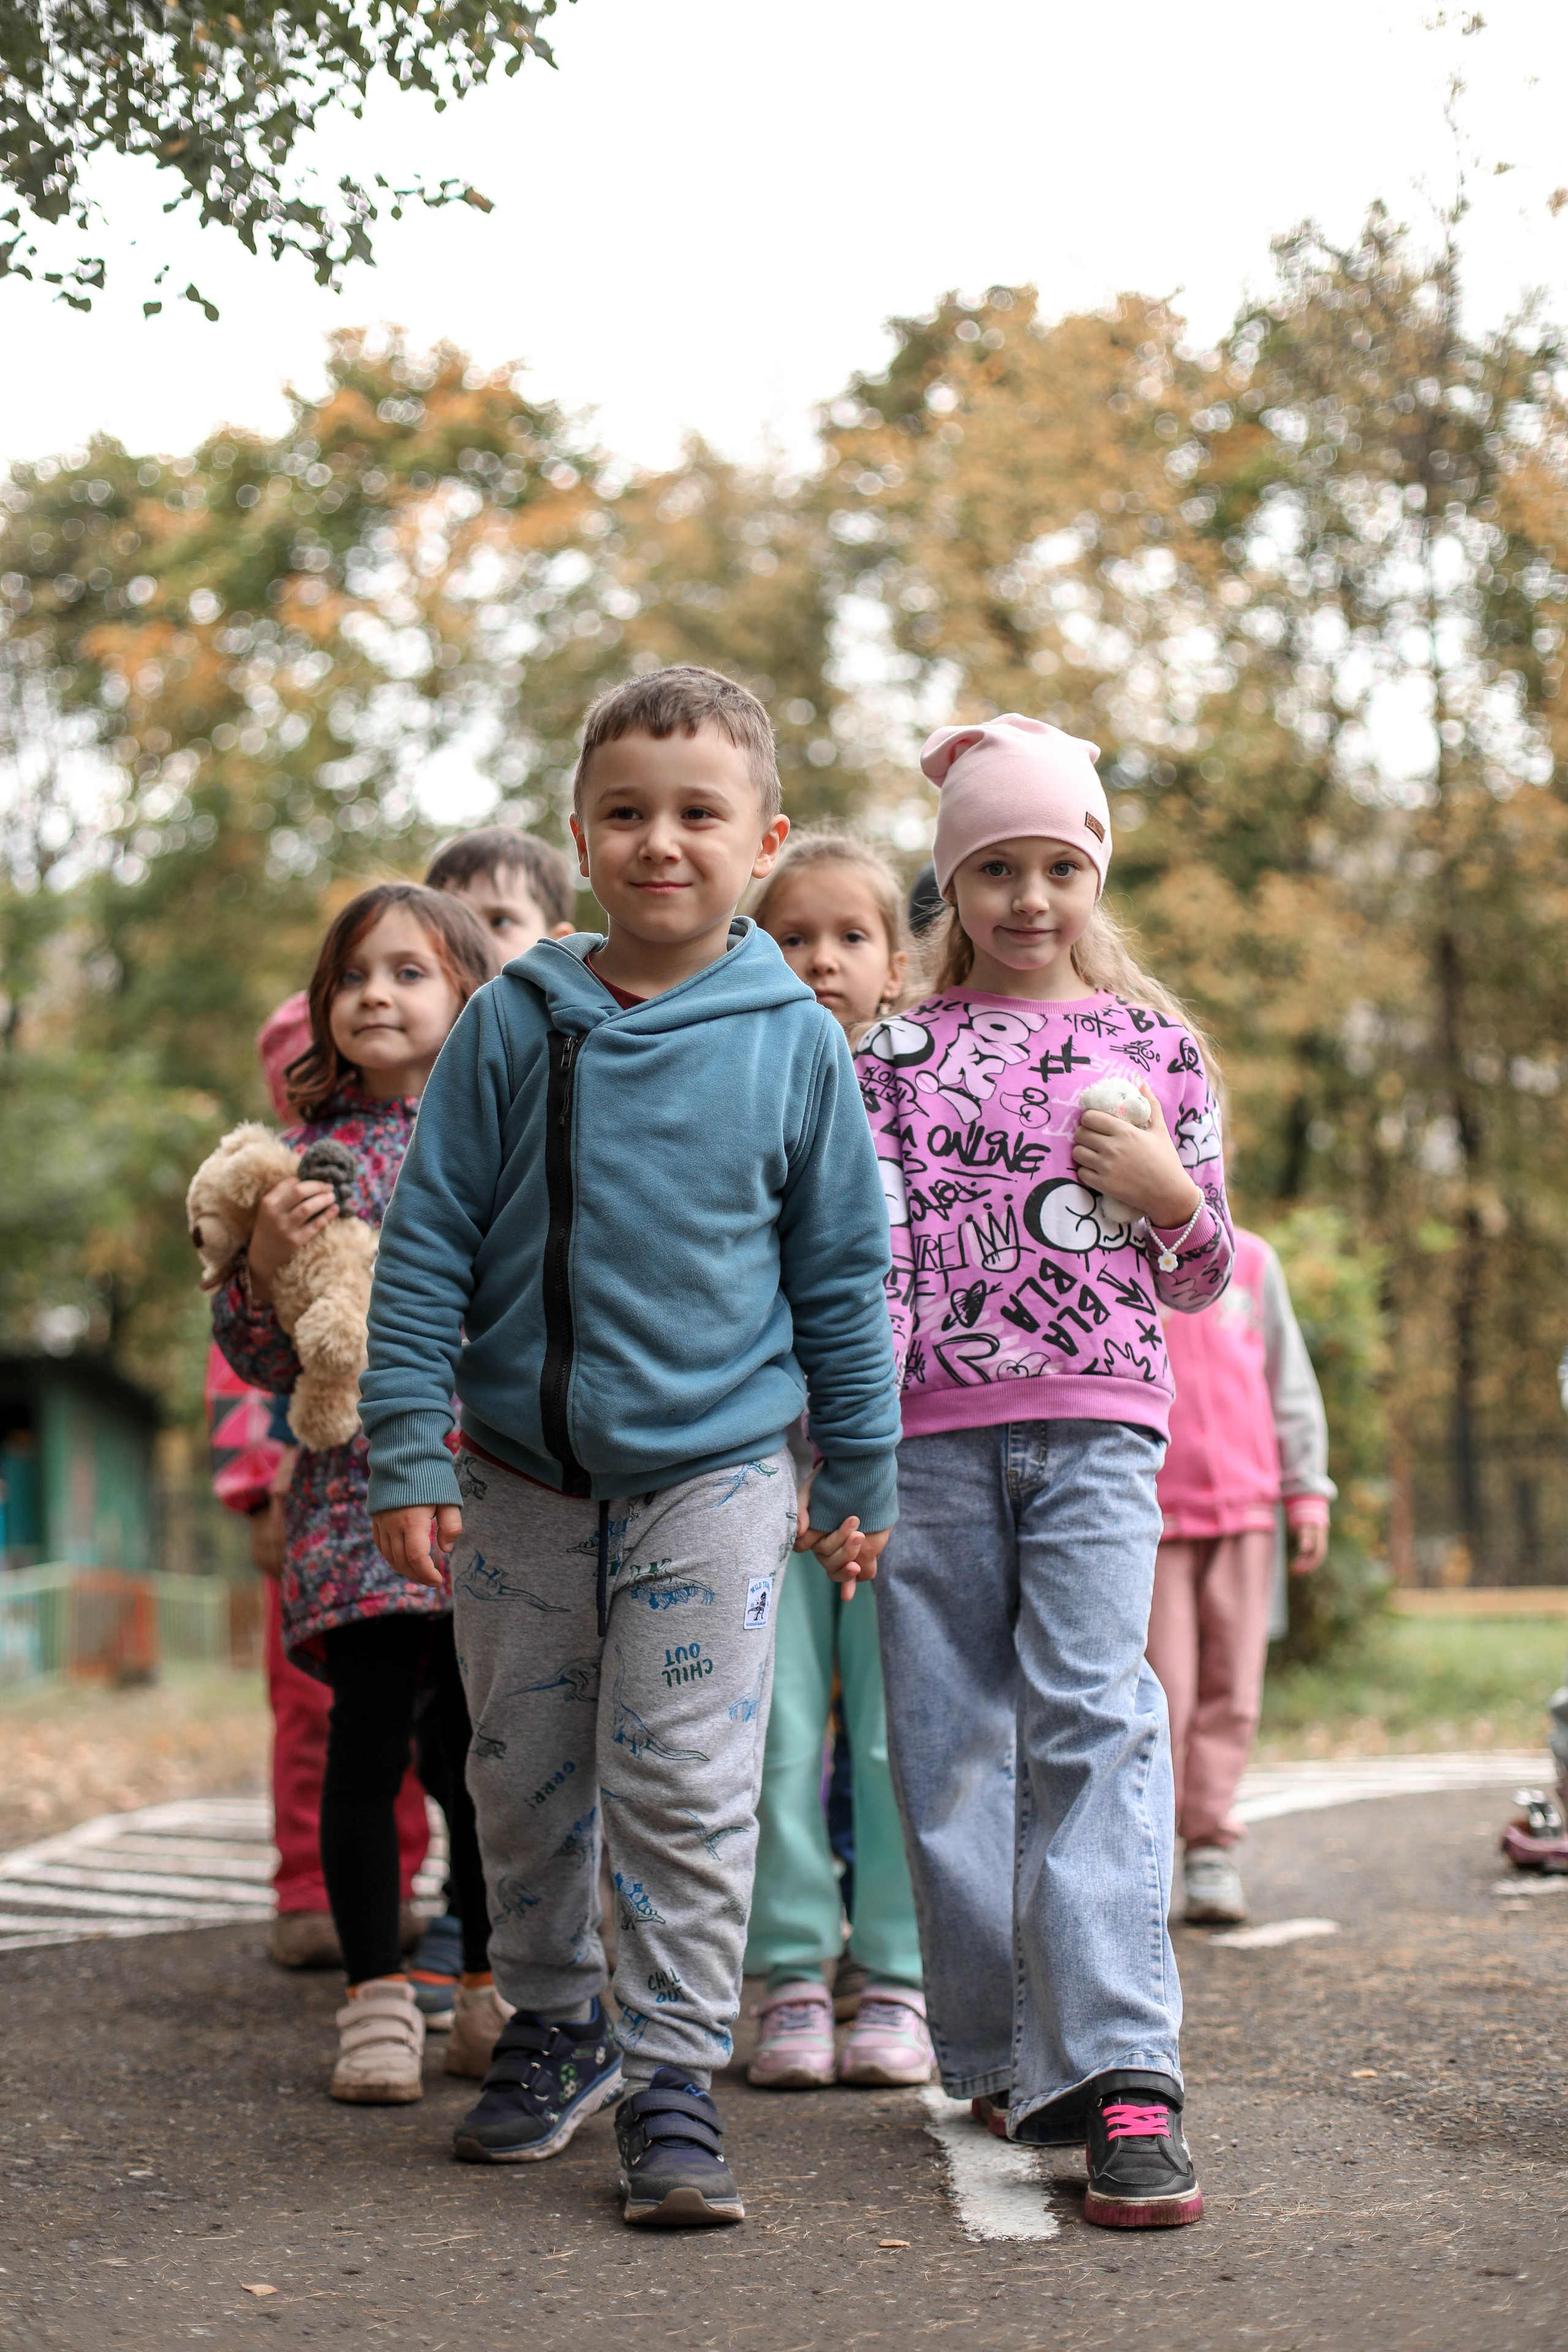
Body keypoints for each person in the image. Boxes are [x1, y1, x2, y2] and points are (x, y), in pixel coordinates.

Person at [361, 665, 901, 2228]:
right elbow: (429, 1240)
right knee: (519, 1775)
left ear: (762, 838)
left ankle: (672, 2069)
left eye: (696, 813)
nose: (659, 840)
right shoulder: (513, 1022)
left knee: (681, 1777)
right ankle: (558, 2017)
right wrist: (407, 1442)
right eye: (625, 812)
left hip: (718, 1476)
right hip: (519, 1474)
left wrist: (855, 1469)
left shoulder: (790, 1039)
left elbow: (840, 1272)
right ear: (578, 836)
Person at [860, 714, 1233, 2230]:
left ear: (1094, 872)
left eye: (1056, 865)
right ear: (950, 883)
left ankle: (1124, 2067)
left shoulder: (1155, 1049)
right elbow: (863, 1253)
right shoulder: (887, 1049)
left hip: (1096, 1426)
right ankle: (1001, 2045)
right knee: (948, 1746)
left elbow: (1199, 1270)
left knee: (1092, 1717)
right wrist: (848, 1446)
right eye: (992, 867)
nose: (1025, 896)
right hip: (924, 1440)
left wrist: (1161, 1196)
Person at [211, 882, 497, 2106]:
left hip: (497, 1496)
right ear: (323, 1010)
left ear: (469, 997)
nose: (375, 994)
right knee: (366, 1748)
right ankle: (376, 1998)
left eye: (409, 971)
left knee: (483, 1756)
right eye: (352, 978)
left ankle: (491, 1984)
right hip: (355, 1498)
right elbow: (265, 1360)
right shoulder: (307, 1164)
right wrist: (266, 1263)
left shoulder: (508, 1141)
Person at [741, 834, 932, 2089]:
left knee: (898, 1731)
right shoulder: (739, 1079)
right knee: (767, 1733)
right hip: (759, 1471)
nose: (818, 961)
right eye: (790, 936)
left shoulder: (923, 1093)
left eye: (847, 938)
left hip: (906, 1470)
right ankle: (793, 1970)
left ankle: (901, 1977)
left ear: (896, 964)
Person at [206, 1001, 432, 1977]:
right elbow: (235, 1367)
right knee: (320, 1708)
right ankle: (311, 1887)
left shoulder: (430, 1154)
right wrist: (256, 1487)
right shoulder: (284, 1184)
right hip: (318, 1502)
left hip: (451, 1490)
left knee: (457, 1729)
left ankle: (424, 1897)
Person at [1145, 1229, 1333, 1926]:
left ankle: (1209, 1846)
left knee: (1235, 1689)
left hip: (1248, 1513)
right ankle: (1146, 1852)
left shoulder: (1251, 1262)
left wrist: (1305, 1489)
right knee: (1163, 1694)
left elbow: (1289, 1382)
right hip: (1153, 1514)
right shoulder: (1118, 1251)